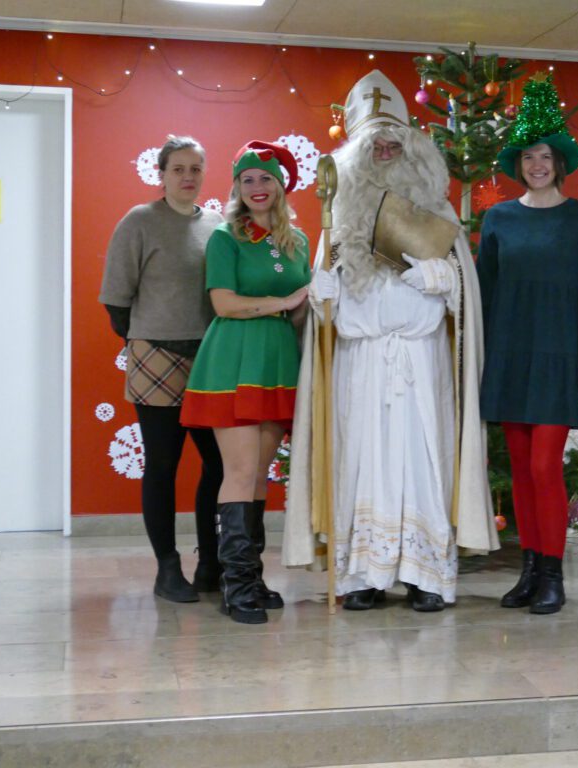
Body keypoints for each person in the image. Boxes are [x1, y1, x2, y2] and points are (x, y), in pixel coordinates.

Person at [283, 70, 496, 612]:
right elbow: (324, 320)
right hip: (360, 361)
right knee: (362, 460)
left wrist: (443, 280)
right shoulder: (338, 217)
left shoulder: (438, 211)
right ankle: (365, 576)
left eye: (393, 140)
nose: (384, 148)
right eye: (373, 141)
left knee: (424, 460)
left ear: (412, 148)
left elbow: (466, 298)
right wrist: (321, 296)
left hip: (423, 362)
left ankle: (425, 575)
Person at [477, 75, 578, 615]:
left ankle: (553, 572)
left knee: (543, 467)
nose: (537, 163)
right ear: (519, 162)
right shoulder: (499, 218)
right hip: (509, 353)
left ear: (560, 161)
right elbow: (484, 292)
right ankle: (530, 570)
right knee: (517, 464)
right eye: (529, 155)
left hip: (560, 356)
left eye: (546, 155)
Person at [180, 141, 311, 625]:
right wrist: (287, 301)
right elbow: (225, 303)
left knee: (259, 474)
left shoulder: (296, 239)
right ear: (236, 187)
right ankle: (235, 584)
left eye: (266, 178)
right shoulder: (225, 237)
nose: (257, 187)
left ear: (281, 185)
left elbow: (303, 305)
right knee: (236, 472)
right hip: (234, 360)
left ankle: (253, 575)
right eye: (247, 179)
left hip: (277, 361)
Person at [99, 135, 224, 604]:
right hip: (156, 357)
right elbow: (116, 301)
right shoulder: (140, 222)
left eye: (195, 168)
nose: (187, 177)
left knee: (218, 463)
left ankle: (210, 562)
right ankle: (167, 568)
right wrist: (150, 340)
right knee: (163, 466)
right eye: (178, 169)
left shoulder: (217, 225)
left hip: (211, 357)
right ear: (162, 174)